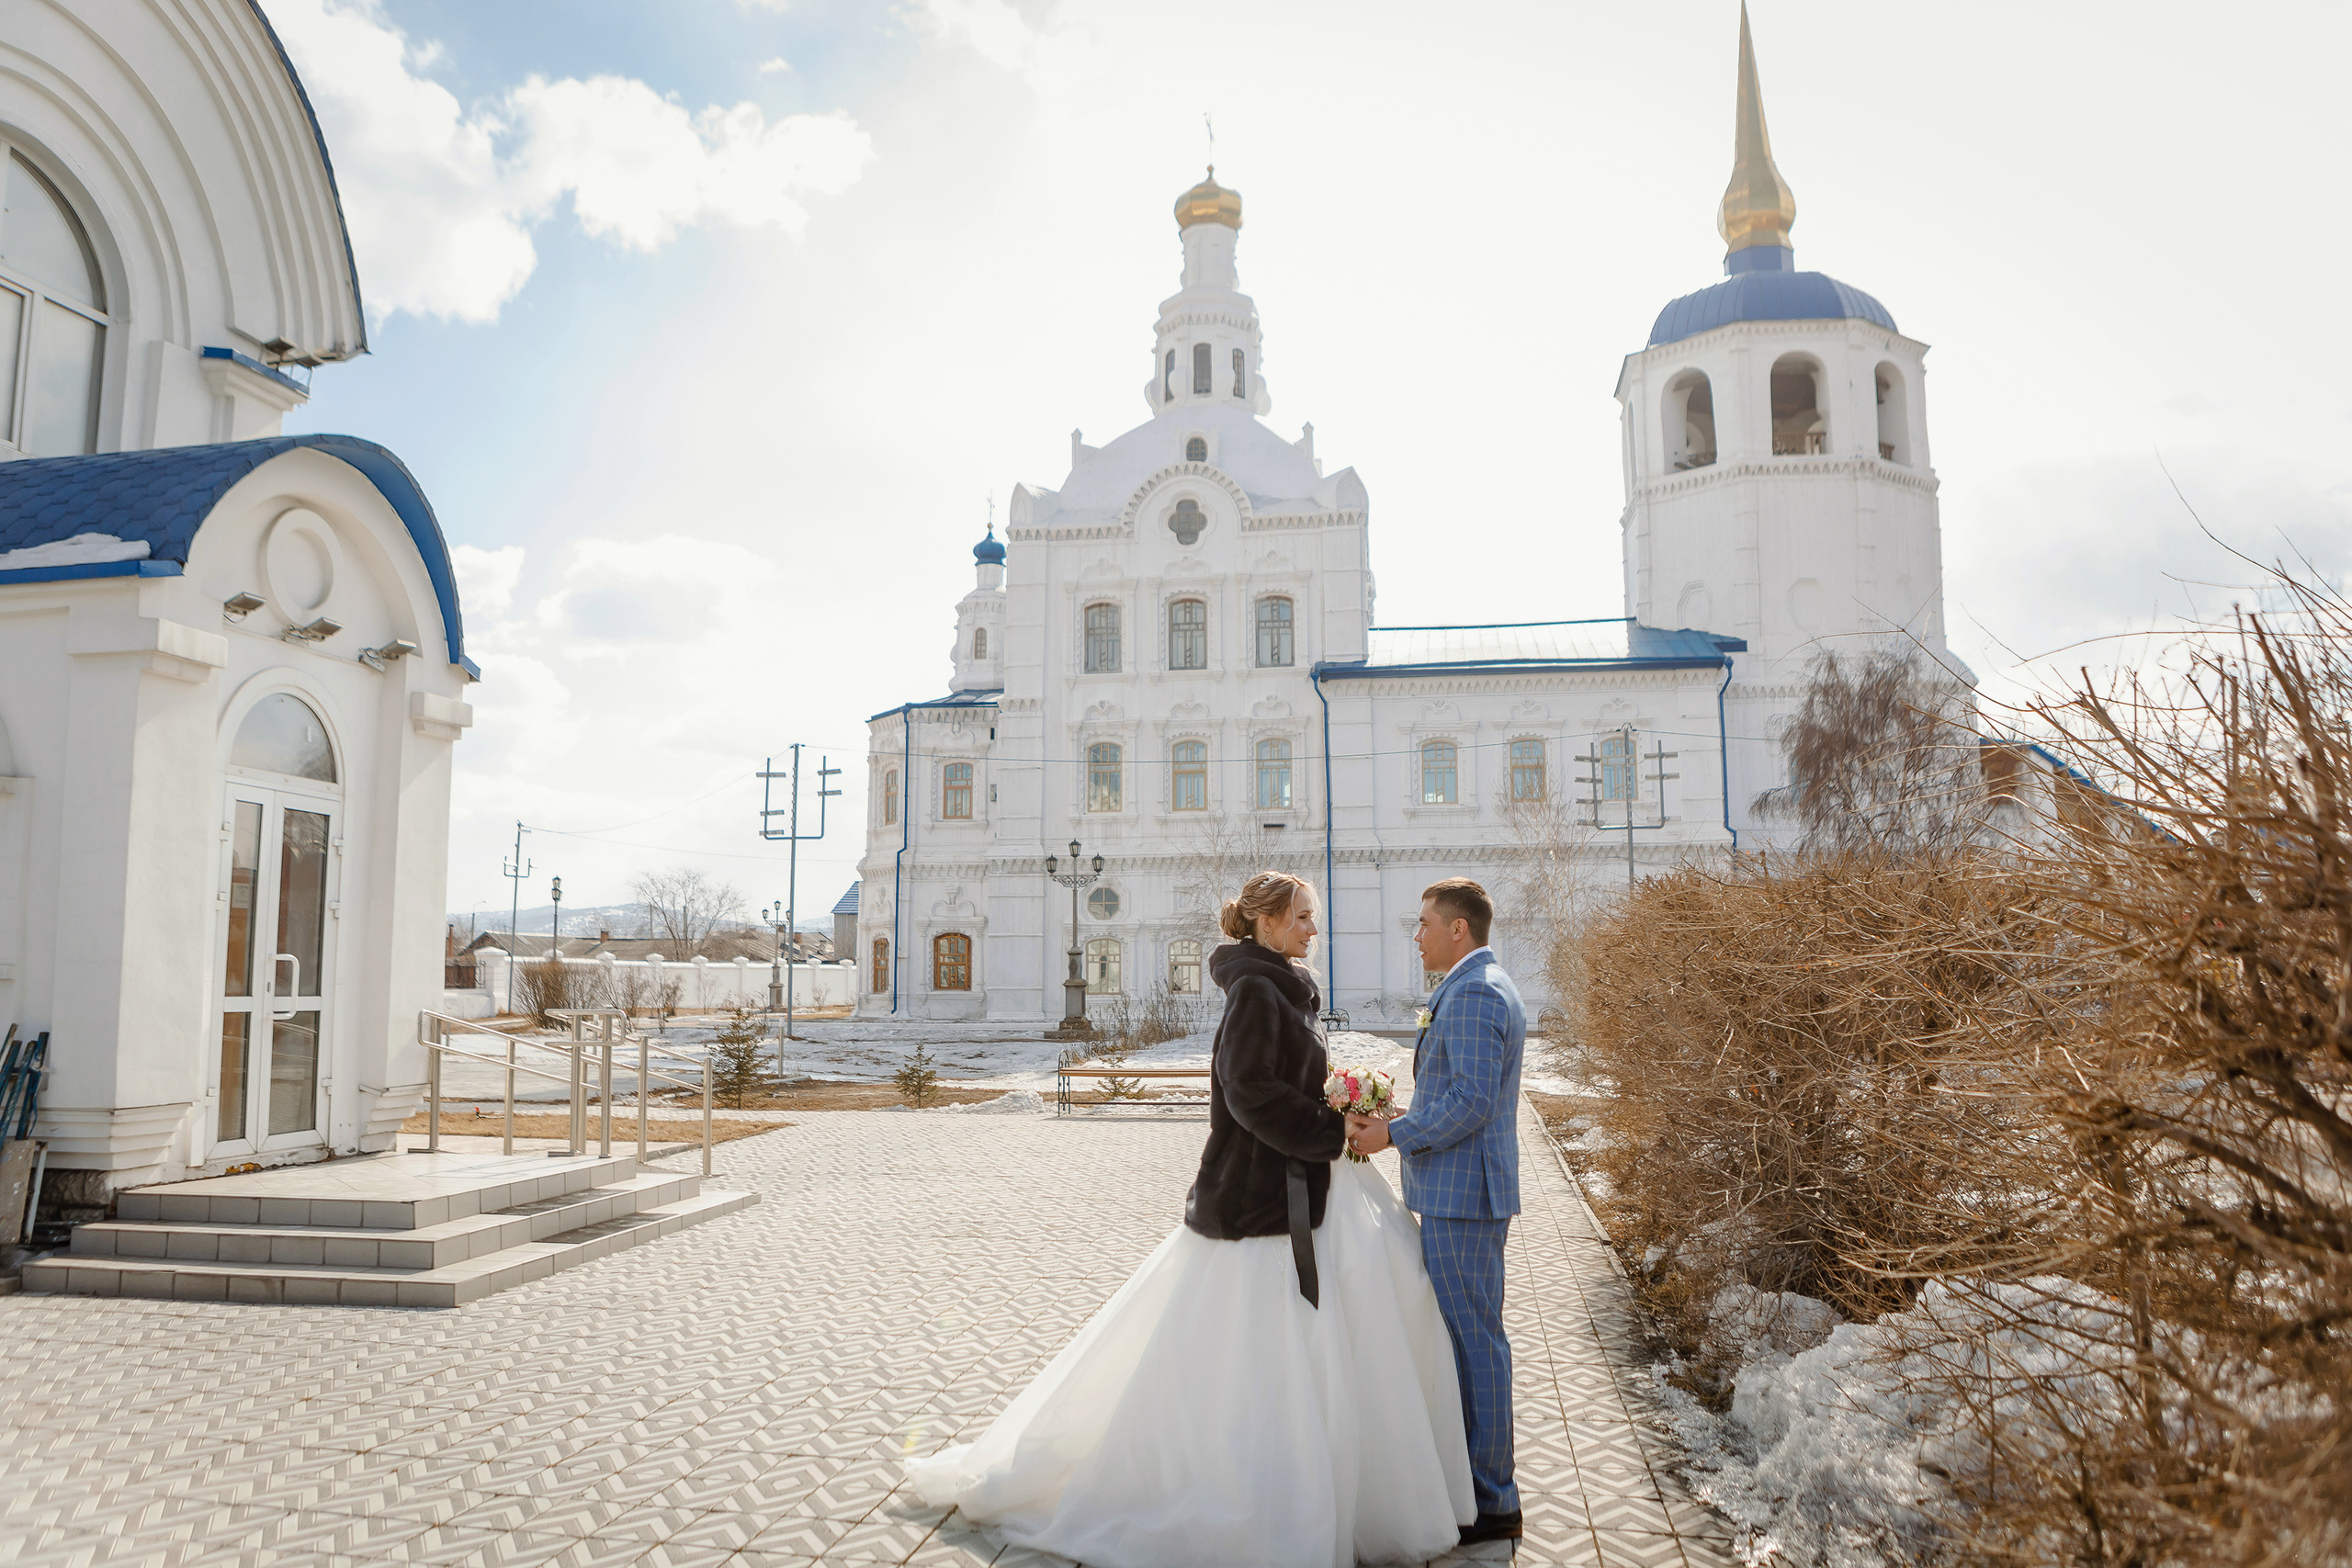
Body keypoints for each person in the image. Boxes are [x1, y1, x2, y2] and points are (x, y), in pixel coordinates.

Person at [905, 871, 1474, 1568]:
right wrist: (1329, 1132)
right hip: (1260, 1200)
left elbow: (1282, 1080)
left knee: (1318, 1344)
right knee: (1256, 1355)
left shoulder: (1281, 987)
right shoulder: (1259, 991)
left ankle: (1313, 1487)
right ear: (1266, 923)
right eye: (1301, 917)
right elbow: (1249, 1091)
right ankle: (1250, 1492)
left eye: (1312, 917)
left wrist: (1337, 1103)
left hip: (1299, 1185)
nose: (1312, 930)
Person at [1347, 876, 1526, 1545]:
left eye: (1424, 922)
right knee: (1466, 1340)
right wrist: (1396, 1115)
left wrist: (1393, 1135)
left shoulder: (1476, 991)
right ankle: (1476, 1487)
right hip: (1459, 1192)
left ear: (1459, 929)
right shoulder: (1470, 984)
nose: (1415, 934)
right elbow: (1454, 1093)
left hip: (1464, 1198)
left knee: (1475, 1345)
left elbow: (1473, 1102)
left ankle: (1494, 1499)